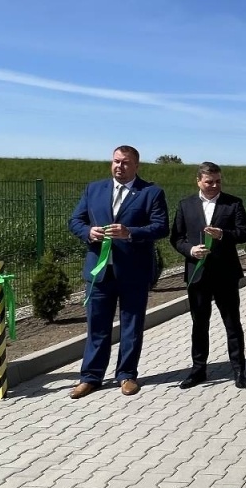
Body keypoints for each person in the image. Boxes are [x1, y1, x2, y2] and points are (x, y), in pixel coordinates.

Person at [68, 145, 170, 398]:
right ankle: (90, 377)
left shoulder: (151, 193)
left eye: (125, 163)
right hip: (100, 272)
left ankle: (126, 375)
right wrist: (87, 232)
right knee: (97, 326)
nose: (119, 166)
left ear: (136, 166)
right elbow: (75, 221)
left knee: (131, 325)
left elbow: (160, 227)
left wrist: (131, 233)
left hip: (133, 271)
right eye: (115, 161)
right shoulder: (94, 189)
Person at [171, 162, 246, 389]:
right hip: (197, 274)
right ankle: (198, 370)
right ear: (198, 181)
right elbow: (176, 237)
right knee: (199, 324)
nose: (214, 185)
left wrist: (223, 235)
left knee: (232, 323)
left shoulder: (233, 203)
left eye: (218, 181)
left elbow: (244, 233)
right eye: (209, 182)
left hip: (225, 273)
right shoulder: (186, 205)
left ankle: (239, 370)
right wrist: (190, 250)